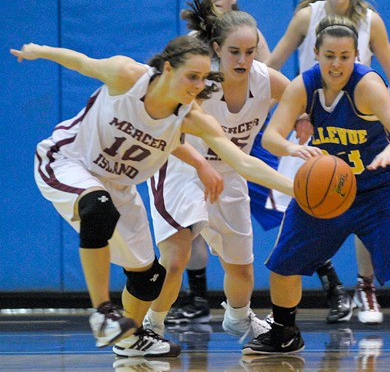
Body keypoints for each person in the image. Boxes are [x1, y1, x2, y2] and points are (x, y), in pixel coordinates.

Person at [10, 35, 294, 357]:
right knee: (97, 209)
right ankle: (103, 311)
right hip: (70, 160)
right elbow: (79, 61)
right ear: (168, 68)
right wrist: (39, 50)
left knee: (149, 279)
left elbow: (243, 162)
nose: (198, 86)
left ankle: (130, 339)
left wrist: (295, 189)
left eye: (204, 79)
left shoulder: (191, 117)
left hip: (119, 186)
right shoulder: (127, 76)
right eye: (192, 76)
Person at [242, 14, 390, 355]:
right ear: (316, 54)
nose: (337, 64)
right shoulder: (302, 87)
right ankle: (284, 332)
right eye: (329, 56)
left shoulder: (367, 86)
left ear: (356, 56)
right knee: (282, 264)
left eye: (344, 57)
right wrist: (292, 147)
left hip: (381, 189)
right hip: (330, 191)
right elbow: (272, 136)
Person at [143, 0, 290, 342]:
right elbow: (169, 130)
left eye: (250, 52)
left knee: (241, 267)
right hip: (180, 165)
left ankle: (239, 319)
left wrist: (302, 115)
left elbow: (302, 95)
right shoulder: (198, 80)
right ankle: (152, 325)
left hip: (229, 170)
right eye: (234, 51)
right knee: (177, 256)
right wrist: (201, 166)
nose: (243, 60)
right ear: (216, 49)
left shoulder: (265, 79)